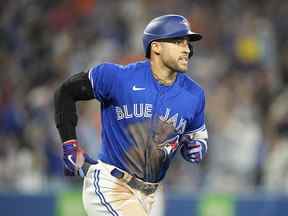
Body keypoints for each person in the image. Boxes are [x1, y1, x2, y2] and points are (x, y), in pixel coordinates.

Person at [54, 14, 208, 216]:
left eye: (187, 43)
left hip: (152, 195)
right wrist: (69, 143)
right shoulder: (118, 77)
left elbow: (198, 135)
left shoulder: (194, 94)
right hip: (112, 184)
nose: (187, 48)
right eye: (178, 42)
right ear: (156, 47)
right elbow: (65, 92)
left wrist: (198, 146)